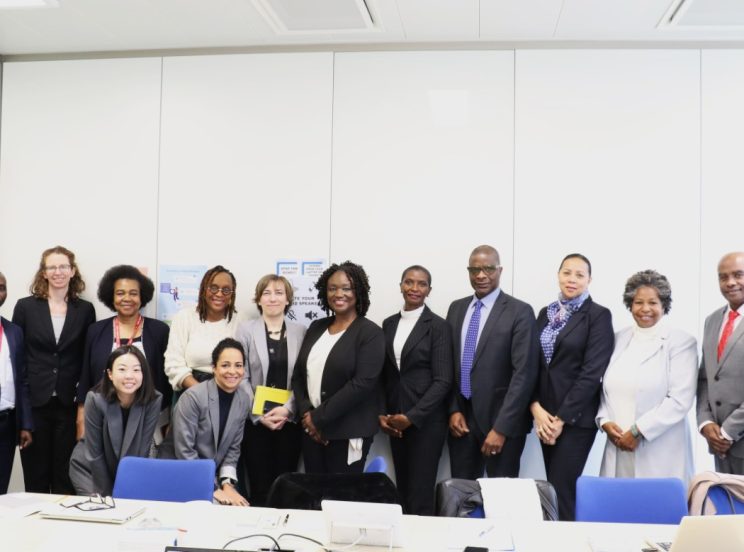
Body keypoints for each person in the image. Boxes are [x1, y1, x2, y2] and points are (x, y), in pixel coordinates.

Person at [530, 254, 614, 521]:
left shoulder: (598, 316)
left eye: (579, 275)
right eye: (567, 273)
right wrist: (536, 409)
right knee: (552, 491)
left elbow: (592, 373)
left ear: (589, 280)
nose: (572, 279)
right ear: (558, 275)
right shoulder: (545, 314)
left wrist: (560, 420)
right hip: (544, 417)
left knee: (562, 491)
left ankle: (566, 540)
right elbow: (532, 364)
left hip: (575, 420)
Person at [447, 245, 539, 479]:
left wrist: (501, 429)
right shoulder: (456, 309)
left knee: (502, 496)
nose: (481, 275)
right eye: (474, 270)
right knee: (462, 494)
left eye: (488, 268)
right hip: (461, 423)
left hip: (501, 423)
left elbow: (524, 374)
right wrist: (453, 410)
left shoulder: (520, 311)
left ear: (500, 270)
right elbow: (448, 364)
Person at [597, 270, 697, 482]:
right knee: (618, 499)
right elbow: (604, 387)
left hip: (661, 448)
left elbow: (680, 400)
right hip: (618, 443)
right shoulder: (618, 339)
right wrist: (604, 421)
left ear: (664, 305)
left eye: (653, 302)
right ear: (630, 305)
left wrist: (638, 431)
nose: (645, 309)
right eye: (638, 302)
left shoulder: (681, 342)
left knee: (656, 501)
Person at [12, 246, 96, 493]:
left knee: (65, 476)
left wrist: (82, 405)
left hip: (68, 405)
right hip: (34, 404)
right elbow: (18, 358)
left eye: (63, 267)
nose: (58, 272)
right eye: (52, 267)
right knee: (35, 476)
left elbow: (86, 358)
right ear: (44, 273)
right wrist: (22, 412)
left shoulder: (85, 309)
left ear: (72, 271)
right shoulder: (25, 307)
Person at [292, 261, 385, 474]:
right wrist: (307, 415)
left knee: (341, 493)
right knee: (314, 491)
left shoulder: (371, 333)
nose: (338, 294)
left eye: (346, 288)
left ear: (358, 291)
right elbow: (299, 376)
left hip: (348, 432)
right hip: (311, 431)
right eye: (332, 288)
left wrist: (318, 418)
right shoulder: (317, 327)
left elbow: (362, 384)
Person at [379, 265, 453, 515]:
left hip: (426, 422)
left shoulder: (438, 326)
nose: (414, 288)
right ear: (401, 285)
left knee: (420, 494)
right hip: (395, 422)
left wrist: (412, 417)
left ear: (429, 290)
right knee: (402, 491)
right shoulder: (388, 324)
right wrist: (383, 414)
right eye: (409, 282)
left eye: (422, 284)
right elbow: (385, 375)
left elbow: (443, 381)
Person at [76, 265, 170, 443]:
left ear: (142, 296)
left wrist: (169, 421)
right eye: (120, 293)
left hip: (149, 418)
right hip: (104, 417)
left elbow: (167, 381)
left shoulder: (159, 331)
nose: (127, 298)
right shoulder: (96, 331)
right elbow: (86, 377)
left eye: (133, 293)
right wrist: (81, 417)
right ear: (111, 296)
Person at [235, 274, 306, 506]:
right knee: (259, 485)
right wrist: (258, 414)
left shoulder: (301, 331)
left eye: (279, 293)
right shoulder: (245, 330)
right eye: (266, 293)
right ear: (258, 299)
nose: (272, 298)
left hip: (289, 421)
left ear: (288, 299)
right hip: (256, 422)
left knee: (287, 485)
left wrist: (288, 409)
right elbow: (241, 374)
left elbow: (303, 377)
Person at [163, 338, 251, 506]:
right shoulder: (193, 398)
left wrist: (227, 485)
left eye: (238, 365)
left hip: (211, 476)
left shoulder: (243, 400)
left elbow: (233, 449)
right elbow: (185, 451)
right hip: (179, 472)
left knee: (240, 507)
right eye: (225, 365)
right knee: (220, 508)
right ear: (214, 368)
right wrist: (212, 487)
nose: (232, 371)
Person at [69, 346, 161, 496]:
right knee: (101, 507)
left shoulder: (153, 400)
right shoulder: (95, 399)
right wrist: (109, 495)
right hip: (90, 469)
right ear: (110, 374)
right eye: (122, 369)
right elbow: (95, 454)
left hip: (126, 470)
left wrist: (126, 488)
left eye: (136, 370)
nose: (129, 376)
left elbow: (142, 450)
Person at [697, 252, 744, 474]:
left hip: (731, 437)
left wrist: (727, 432)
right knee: (726, 498)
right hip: (720, 448)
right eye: (723, 277)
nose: (730, 282)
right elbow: (706, 378)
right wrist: (706, 423)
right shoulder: (712, 320)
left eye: (738, 275)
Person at [164, 265, 243, 392]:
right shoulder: (184, 317)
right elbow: (173, 364)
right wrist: (202, 393)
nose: (219, 294)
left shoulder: (240, 322)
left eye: (226, 290)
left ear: (232, 294)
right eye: (213, 288)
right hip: (190, 390)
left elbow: (244, 367)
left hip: (229, 390)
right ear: (203, 290)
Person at [0, 272, 33, 494]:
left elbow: (22, 380)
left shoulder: (14, 331)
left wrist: (25, 424)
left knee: (1, 489)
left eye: (1, 287)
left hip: (7, 423)